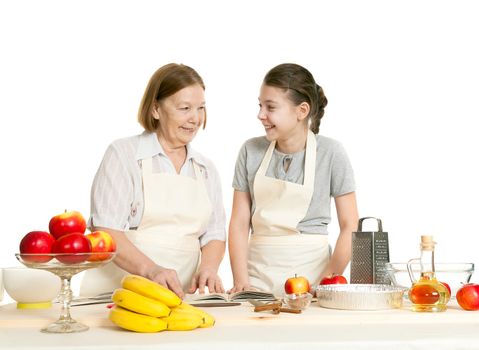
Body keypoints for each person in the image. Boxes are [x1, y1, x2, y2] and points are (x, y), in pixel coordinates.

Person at [80, 63, 226, 298]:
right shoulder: (124, 154)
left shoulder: (205, 169)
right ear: (156, 109)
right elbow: (107, 230)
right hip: (120, 292)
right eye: (185, 108)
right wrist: (151, 270)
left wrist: (208, 268)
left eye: (201, 108)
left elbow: (215, 233)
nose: (195, 118)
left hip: (180, 297)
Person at [228, 63, 359, 296]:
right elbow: (239, 223)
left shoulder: (331, 153)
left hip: (313, 278)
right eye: (260, 105)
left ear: (302, 111)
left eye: (271, 107)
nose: (261, 115)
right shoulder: (251, 150)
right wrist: (241, 283)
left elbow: (350, 225)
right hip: (257, 278)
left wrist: (325, 283)